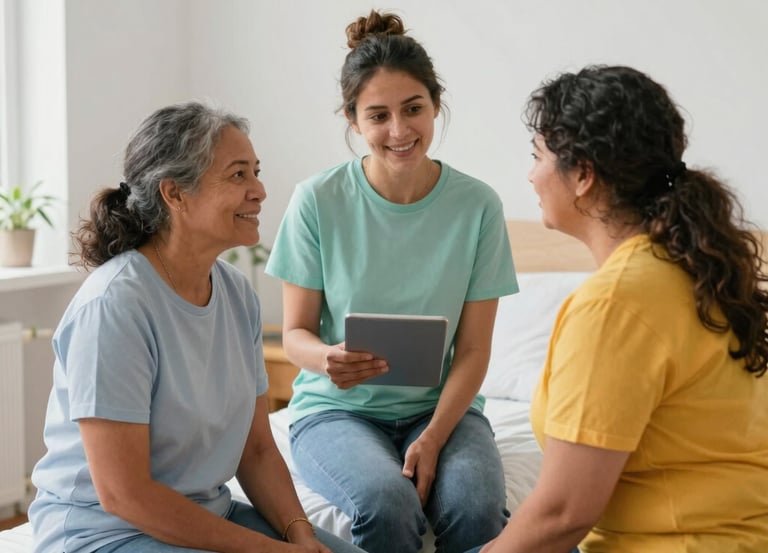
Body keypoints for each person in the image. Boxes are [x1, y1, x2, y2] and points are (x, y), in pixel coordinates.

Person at [28, 101, 366, 553]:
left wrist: (300, 535)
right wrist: (272, 551)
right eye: (238, 175)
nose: (260, 191)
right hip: (104, 533)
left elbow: (256, 450)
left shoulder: (236, 294)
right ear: (175, 194)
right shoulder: (114, 306)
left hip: (206, 511)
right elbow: (125, 494)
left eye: (256, 172)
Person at [466, 65, 768, 553]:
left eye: (538, 156)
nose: (531, 175)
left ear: (583, 175)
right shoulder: (700, 271)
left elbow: (563, 514)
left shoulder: (615, 303)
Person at [264, 9, 518, 553]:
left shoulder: (477, 207)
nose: (399, 131)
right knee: (387, 503)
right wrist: (326, 358)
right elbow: (295, 334)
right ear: (353, 120)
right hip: (336, 411)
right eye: (378, 115)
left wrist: (434, 437)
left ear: (436, 105)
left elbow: (474, 350)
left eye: (413, 109)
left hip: (441, 409)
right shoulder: (317, 200)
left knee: (474, 507)